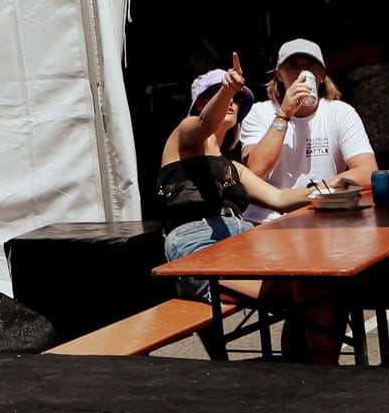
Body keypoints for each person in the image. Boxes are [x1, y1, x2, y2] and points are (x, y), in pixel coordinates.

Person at [154, 58, 308, 292]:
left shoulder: (232, 168)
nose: (231, 102)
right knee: (298, 289)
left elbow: (280, 199)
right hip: (199, 244)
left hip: (242, 241)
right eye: (215, 93)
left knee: (314, 285)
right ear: (198, 104)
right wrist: (228, 88)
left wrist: (333, 189)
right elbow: (205, 123)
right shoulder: (184, 134)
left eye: (237, 98)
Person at [238, 38, 376, 221]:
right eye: (294, 66)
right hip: (267, 219)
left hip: (324, 212)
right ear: (279, 75)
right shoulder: (259, 112)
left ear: (321, 75)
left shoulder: (340, 112)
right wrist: (284, 114)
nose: (302, 73)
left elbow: (368, 171)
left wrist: (319, 190)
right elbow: (254, 172)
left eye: (309, 67)